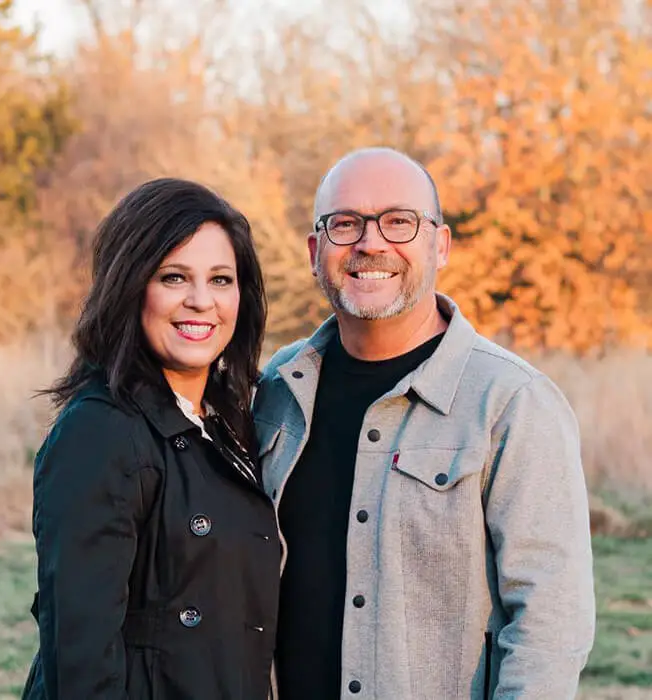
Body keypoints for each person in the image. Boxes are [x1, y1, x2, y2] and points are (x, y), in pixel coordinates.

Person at [253, 148, 595, 700]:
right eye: (346, 224)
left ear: (440, 245)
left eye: (399, 221)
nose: (370, 242)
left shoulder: (511, 402)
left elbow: (551, 623)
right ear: (316, 252)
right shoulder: (278, 388)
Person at [22, 178, 280, 700]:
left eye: (221, 279)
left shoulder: (232, 421)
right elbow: (80, 659)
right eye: (174, 277)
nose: (201, 301)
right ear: (130, 285)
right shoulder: (99, 432)